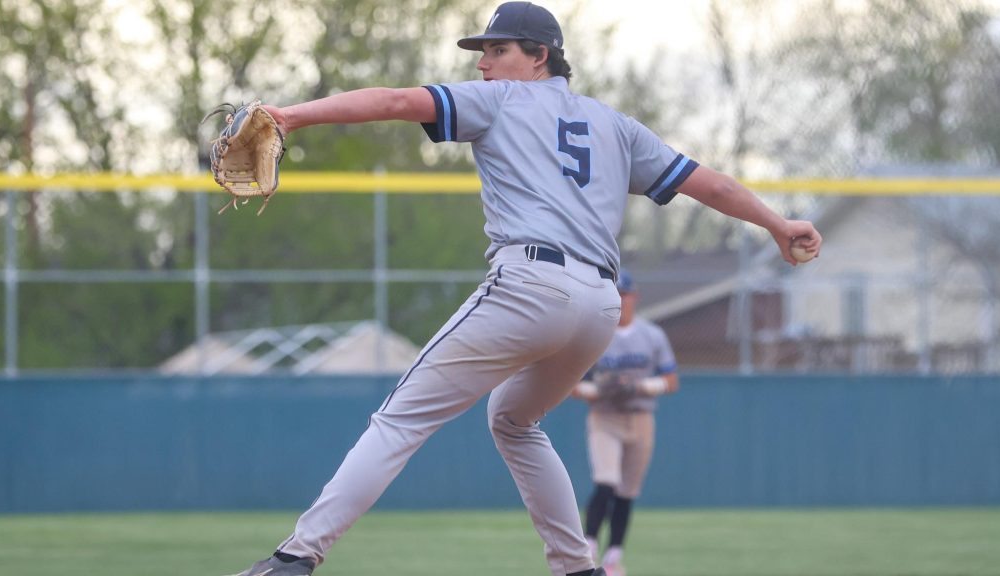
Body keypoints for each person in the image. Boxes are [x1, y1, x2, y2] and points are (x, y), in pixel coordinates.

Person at [229, 2, 821, 575]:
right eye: (481, 52)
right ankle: (576, 567)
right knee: (514, 420)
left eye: (498, 50)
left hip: (530, 285)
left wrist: (295, 115)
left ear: (539, 56)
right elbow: (707, 184)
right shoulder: (615, 125)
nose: (483, 63)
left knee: (400, 419)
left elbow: (393, 101)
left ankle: (295, 558)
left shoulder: (500, 100)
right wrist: (777, 223)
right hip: (598, 308)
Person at [572, 269, 679, 576]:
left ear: (634, 297)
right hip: (605, 417)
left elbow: (671, 381)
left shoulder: (652, 335)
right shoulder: (592, 335)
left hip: (641, 417)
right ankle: (589, 545)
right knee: (606, 482)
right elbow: (571, 386)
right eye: (614, 294)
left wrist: (642, 387)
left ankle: (613, 557)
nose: (620, 301)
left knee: (627, 492)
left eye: (624, 295)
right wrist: (600, 389)